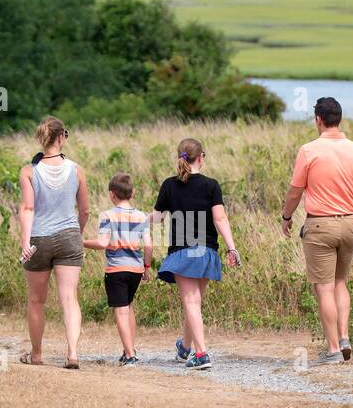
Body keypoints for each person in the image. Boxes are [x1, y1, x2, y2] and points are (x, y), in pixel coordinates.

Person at [280, 96, 353, 365]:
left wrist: (286, 217)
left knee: (324, 287)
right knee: (341, 282)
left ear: (318, 120)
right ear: (339, 119)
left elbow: (296, 191)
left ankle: (332, 349)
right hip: (351, 224)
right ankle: (344, 337)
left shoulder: (309, 151)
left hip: (320, 224)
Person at [151, 138, 240, 371]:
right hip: (207, 252)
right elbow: (220, 218)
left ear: (180, 158)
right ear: (201, 157)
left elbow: (158, 218)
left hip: (183, 252)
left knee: (191, 303)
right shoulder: (212, 185)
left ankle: (201, 354)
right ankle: (184, 347)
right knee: (195, 303)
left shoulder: (169, 185)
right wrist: (232, 247)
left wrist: (135, 221)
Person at [18, 117, 89, 369]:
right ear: (62, 138)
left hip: (39, 238)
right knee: (69, 298)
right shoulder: (76, 170)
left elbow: (27, 207)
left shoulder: (29, 171)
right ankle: (72, 353)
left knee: (37, 300)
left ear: (42, 138)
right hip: (69, 236)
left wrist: (25, 242)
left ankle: (36, 354)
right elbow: (85, 211)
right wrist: (77, 235)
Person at [83, 172, 153, 365]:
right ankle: (128, 349)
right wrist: (146, 266)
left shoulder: (107, 216)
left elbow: (103, 242)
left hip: (116, 270)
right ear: (133, 193)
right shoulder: (141, 216)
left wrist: (82, 242)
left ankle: (130, 355)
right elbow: (148, 245)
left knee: (121, 311)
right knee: (128, 308)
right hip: (136, 270)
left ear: (111, 194)